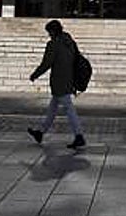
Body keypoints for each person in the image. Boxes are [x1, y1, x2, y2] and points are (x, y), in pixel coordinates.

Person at [27, 19, 86, 149]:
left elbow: (46, 63)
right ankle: (40, 132)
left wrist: (34, 75)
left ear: (52, 31)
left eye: (49, 32)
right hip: (69, 79)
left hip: (59, 81)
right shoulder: (69, 41)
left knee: (69, 109)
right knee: (53, 108)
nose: (49, 35)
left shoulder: (53, 44)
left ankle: (79, 136)